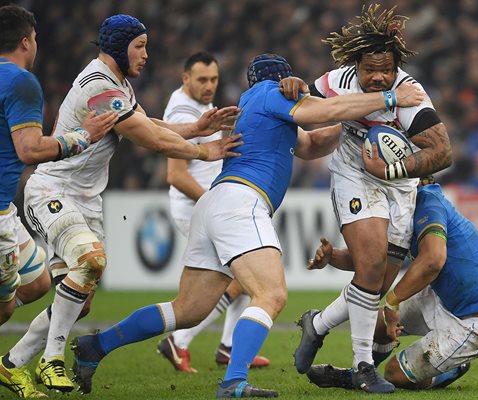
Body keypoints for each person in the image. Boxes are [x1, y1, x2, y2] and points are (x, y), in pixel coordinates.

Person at [67, 53, 425, 398]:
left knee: (187, 310)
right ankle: (234, 381)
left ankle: (96, 345)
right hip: (242, 202)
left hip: (215, 203)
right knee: (271, 295)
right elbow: (325, 108)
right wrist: (390, 97)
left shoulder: (259, 110)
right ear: (282, 79)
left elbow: (313, 141)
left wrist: (355, 125)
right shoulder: (269, 94)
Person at [0, 13, 242, 397]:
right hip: (53, 191)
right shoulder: (99, 85)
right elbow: (147, 138)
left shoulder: (118, 85)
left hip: (86, 200)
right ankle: (52, 359)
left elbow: (148, 122)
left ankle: (10, 364)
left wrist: (197, 127)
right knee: (90, 261)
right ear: (118, 46)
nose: (146, 54)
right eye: (140, 46)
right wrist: (203, 150)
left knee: (79, 303)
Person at [280, 4, 452, 393]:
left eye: (386, 70)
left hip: (400, 183)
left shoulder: (410, 94)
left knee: (374, 281)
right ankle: (362, 366)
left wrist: (392, 170)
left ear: (396, 69)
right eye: (369, 69)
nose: (378, 77)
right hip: (353, 175)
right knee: (371, 263)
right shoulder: (337, 80)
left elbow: (443, 152)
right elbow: (307, 106)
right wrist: (294, 83)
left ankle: (317, 324)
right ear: (354, 66)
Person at [0, 5, 118, 398]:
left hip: (8, 212)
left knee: (36, 285)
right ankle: (48, 360)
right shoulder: (20, 81)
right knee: (6, 307)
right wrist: (82, 136)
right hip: (11, 205)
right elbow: (31, 149)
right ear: (25, 41)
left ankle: (10, 364)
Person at [302, 176, 478, 391]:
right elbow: (375, 260)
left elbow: (433, 260)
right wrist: (333, 257)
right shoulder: (402, 205)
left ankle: (452, 369)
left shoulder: (427, 200)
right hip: (443, 297)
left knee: (395, 374)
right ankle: (362, 373)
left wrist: (393, 301)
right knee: (377, 326)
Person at [156, 51, 269, 373]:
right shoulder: (181, 110)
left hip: (207, 209)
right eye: (202, 79)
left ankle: (228, 347)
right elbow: (175, 175)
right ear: (185, 79)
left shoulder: (202, 108)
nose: (209, 86)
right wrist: (215, 204)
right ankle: (179, 342)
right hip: (195, 209)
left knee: (251, 271)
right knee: (240, 276)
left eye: (214, 79)